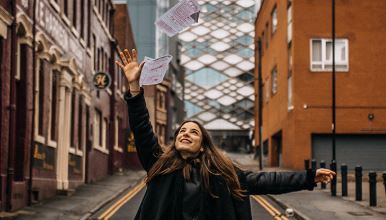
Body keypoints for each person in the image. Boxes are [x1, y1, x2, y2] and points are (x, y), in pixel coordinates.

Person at [116, 49, 336, 220]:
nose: (186, 133)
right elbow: (142, 128)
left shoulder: (221, 173)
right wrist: (135, 87)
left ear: (202, 145)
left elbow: (266, 181)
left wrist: (308, 177)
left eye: (194, 132)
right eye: (182, 131)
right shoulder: (159, 165)